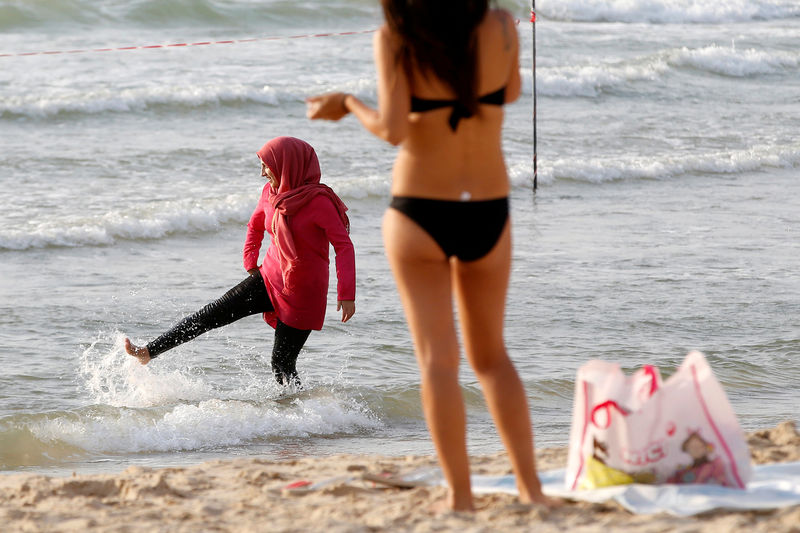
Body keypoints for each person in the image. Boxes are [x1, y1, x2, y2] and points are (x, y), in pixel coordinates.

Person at [307, 0, 556, 511]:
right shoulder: (504, 25)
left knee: (438, 363)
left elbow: (394, 130)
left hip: (420, 210)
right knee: (492, 359)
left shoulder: (397, 36)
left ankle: (461, 499)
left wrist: (349, 103)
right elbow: (509, 92)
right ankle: (533, 493)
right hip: (486, 206)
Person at [125, 136, 356, 388]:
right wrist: (250, 262)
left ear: (287, 165)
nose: (262, 173)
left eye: (267, 166)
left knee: (282, 364)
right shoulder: (270, 193)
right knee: (209, 315)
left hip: (303, 294)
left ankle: (298, 419)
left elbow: (343, 247)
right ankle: (148, 352)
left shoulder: (319, 202)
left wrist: (346, 294)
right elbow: (255, 225)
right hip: (268, 278)